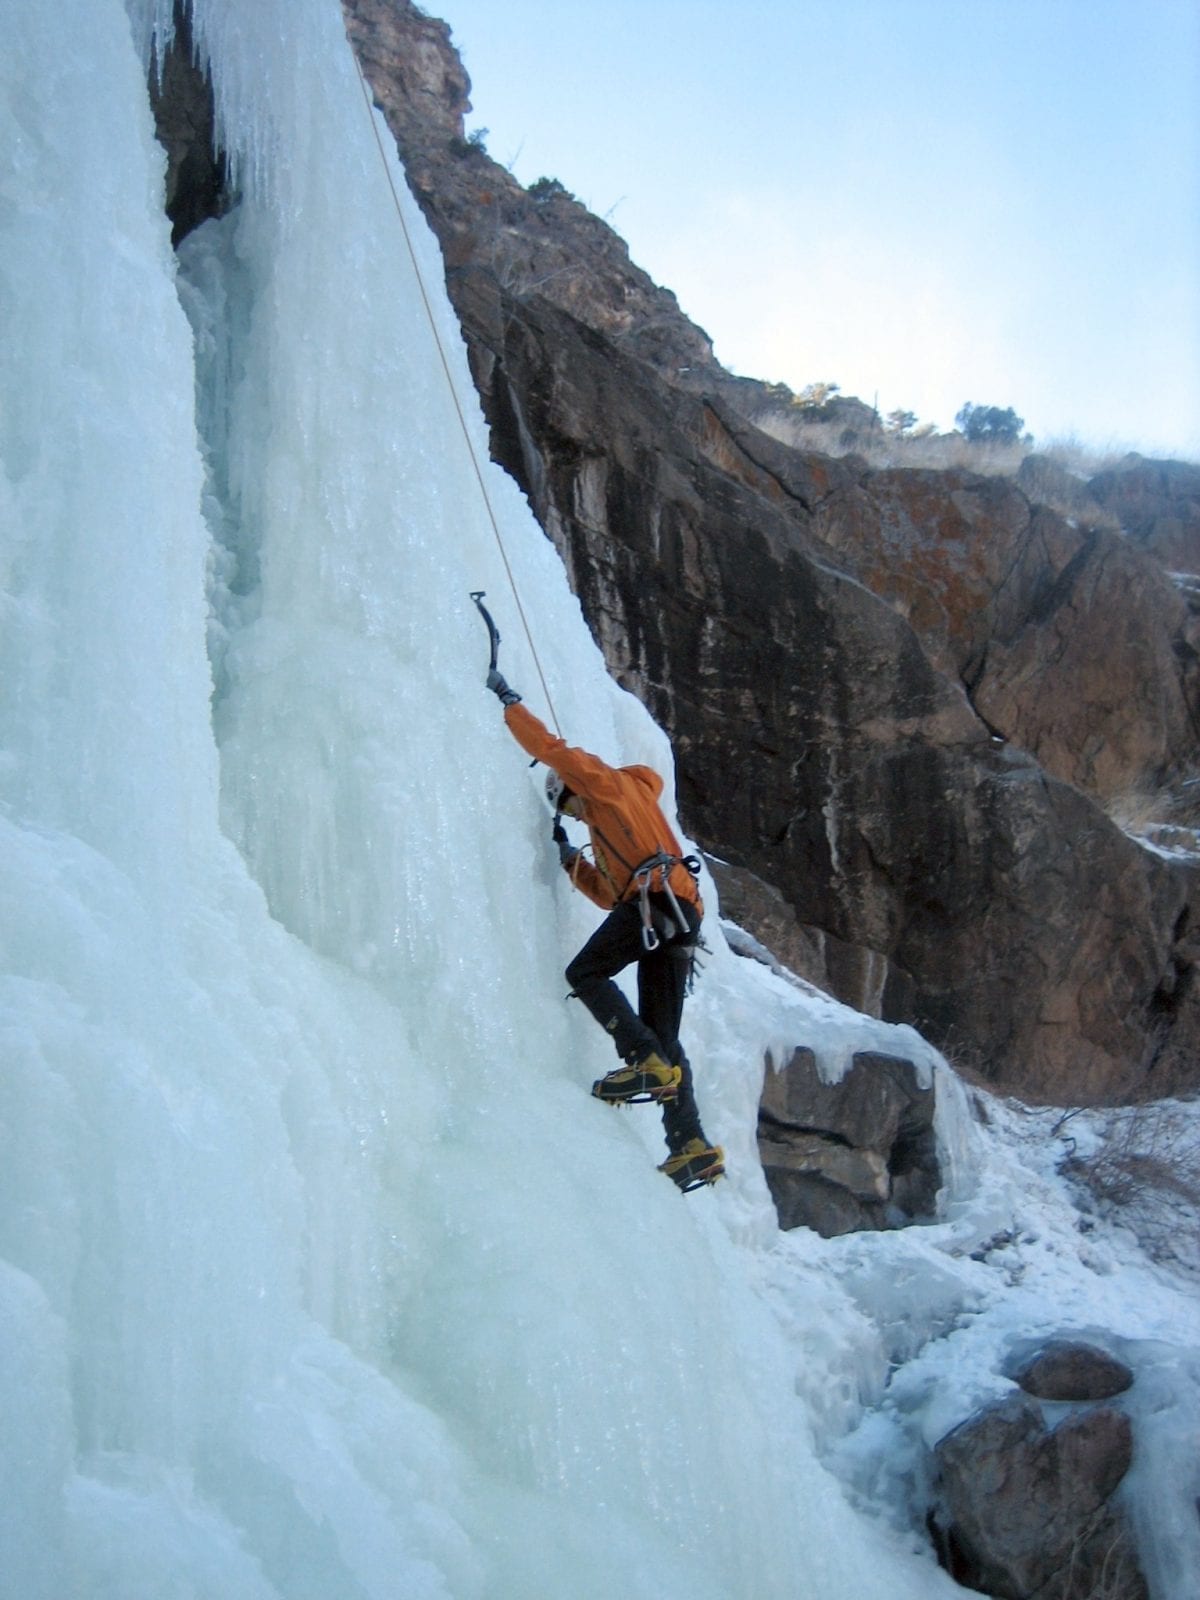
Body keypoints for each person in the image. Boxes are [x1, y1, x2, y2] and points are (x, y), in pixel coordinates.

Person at [486, 664, 724, 1192]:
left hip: (659, 901)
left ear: (569, 791)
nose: (572, 813)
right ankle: (690, 1144)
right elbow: (611, 895)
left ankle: (642, 1060)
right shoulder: (623, 816)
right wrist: (573, 860)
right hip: (677, 912)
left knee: (585, 972)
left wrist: (510, 703)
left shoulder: (606, 787)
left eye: (566, 803)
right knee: (666, 1037)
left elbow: (552, 750)